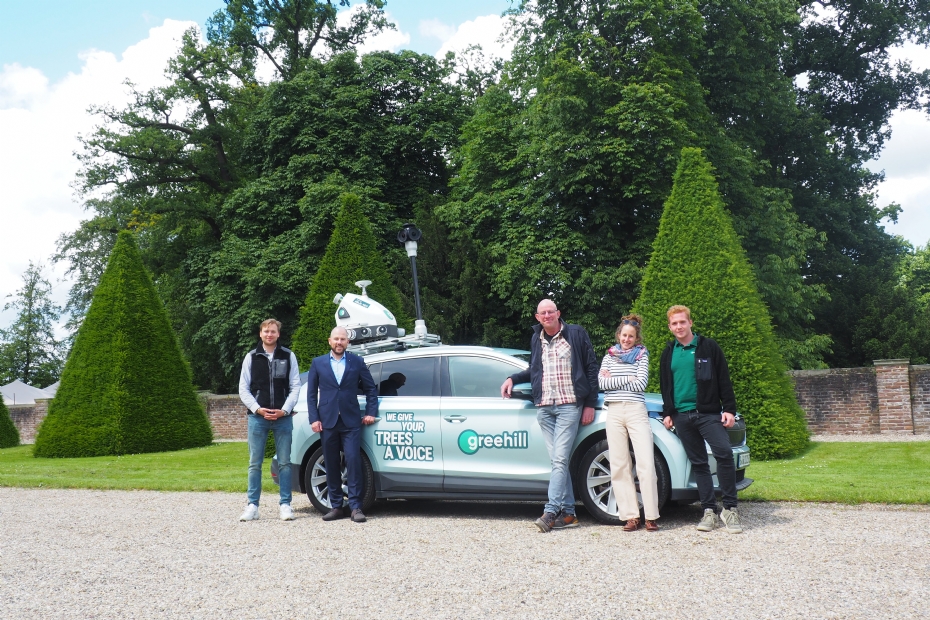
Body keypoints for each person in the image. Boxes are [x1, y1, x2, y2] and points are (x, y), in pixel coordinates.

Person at [501, 299, 599, 533]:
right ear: (537, 317)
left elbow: (591, 367)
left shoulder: (575, 334)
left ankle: (550, 510)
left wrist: (590, 403)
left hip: (569, 405)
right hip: (544, 407)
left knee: (559, 459)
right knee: (558, 461)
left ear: (558, 313)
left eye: (550, 312)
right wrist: (513, 378)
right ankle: (569, 514)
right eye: (542, 313)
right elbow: (534, 370)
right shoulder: (537, 338)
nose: (547, 316)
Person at [659, 305, 742, 533]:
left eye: (682, 322)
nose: (679, 327)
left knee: (724, 454)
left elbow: (724, 378)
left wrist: (729, 409)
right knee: (699, 463)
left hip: (707, 413)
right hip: (682, 416)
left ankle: (730, 509)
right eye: (674, 323)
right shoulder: (669, 351)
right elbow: (666, 386)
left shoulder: (708, 347)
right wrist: (668, 413)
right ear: (670, 327)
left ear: (690, 323)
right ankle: (708, 511)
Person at [306, 326, 379, 523]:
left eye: (343, 339)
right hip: (327, 421)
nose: (339, 342)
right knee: (330, 463)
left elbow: (371, 390)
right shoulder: (318, 363)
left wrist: (371, 412)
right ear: (330, 341)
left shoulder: (357, 361)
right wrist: (314, 418)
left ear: (348, 342)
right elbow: (311, 394)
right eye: (336, 339)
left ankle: (356, 507)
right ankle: (336, 506)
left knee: (354, 461)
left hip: (351, 421)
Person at [598, 313, 660, 532]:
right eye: (624, 335)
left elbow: (641, 384)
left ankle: (651, 516)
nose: (626, 339)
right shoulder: (609, 356)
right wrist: (627, 379)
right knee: (619, 464)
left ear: (636, 338)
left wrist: (615, 380)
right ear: (619, 335)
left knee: (645, 462)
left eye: (631, 336)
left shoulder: (642, 356)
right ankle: (631, 516)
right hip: (614, 411)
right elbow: (601, 382)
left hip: (636, 410)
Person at [238, 318, 301, 522]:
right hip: (258, 418)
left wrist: (284, 410)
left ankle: (285, 505)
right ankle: (252, 505)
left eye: (273, 331)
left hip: (283, 418)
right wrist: (257, 409)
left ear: (278, 334)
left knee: (285, 463)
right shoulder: (251, 357)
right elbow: (243, 388)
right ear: (260, 334)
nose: (269, 334)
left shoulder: (288, 356)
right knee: (254, 463)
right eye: (266, 331)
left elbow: (295, 386)